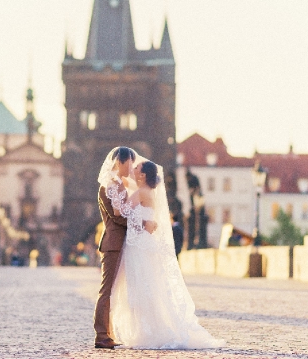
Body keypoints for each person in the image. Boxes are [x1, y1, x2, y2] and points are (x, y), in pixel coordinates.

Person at [101, 154, 225, 350]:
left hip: (138, 245)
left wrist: (114, 190)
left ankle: (145, 331)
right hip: (146, 243)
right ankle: (154, 328)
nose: (133, 169)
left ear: (142, 176)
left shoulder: (139, 192)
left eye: (137, 169)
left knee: (138, 286)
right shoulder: (149, 191)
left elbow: (120, 213)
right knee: (149, 286)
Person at [93, 147, 157, 349]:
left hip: (120, 242)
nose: (132, 166)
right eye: (130, 162)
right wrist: (142, 224)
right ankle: (101, 335)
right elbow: (117, 217)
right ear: (120, 162)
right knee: (107, 290)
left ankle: (107, 334)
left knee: (113, 290)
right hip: (113, 243)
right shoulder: (110, 185)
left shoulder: (118, 183)